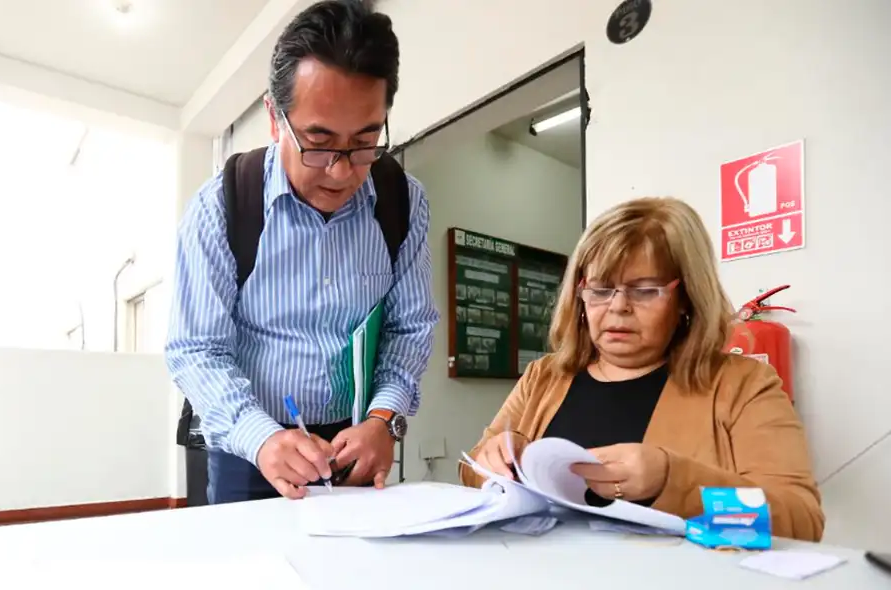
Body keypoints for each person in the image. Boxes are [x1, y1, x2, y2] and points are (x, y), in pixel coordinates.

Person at [166, 0, 438, 504]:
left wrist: (384, 420)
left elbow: (410, 328)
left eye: (365, 141)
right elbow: (196, 348)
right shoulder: (223, 205)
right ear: (275, 118)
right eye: (319, 141)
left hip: (356, 439)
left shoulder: (402, 201)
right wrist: (262, 438)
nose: (341, 171)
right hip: (251, 443)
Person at [459, 197, 824, 541]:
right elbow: (471, 469)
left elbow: (800, 521)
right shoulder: (545, 376)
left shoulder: (743, 384)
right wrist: (496, 463)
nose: (618, 307)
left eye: (645, 291)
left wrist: (673, 481)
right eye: (600, 289)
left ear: (686, 298)